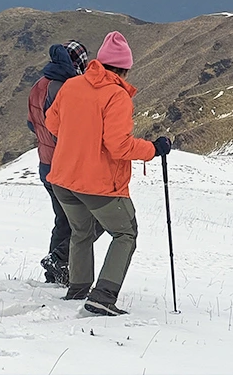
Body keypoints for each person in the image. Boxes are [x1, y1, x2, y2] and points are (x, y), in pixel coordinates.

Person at [45, 31, 171, 316]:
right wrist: (154, 148)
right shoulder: (117, 96)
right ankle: (102, 297)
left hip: (63, 178)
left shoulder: (72, 86)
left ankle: (78, 290)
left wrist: (80, 138)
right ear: (124, 68)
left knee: (81, 231)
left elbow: (52, 124)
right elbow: (119, 146)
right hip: (98, 184)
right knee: (125, 233)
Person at [26, 40, 86, 284]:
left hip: (44, 163)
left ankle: (54, 273)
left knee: (62, 220)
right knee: (80, 221)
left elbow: (32, 123)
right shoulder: (66, 89)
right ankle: (59, 263)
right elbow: (67, 130)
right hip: (64, 165)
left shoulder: (39, 85)